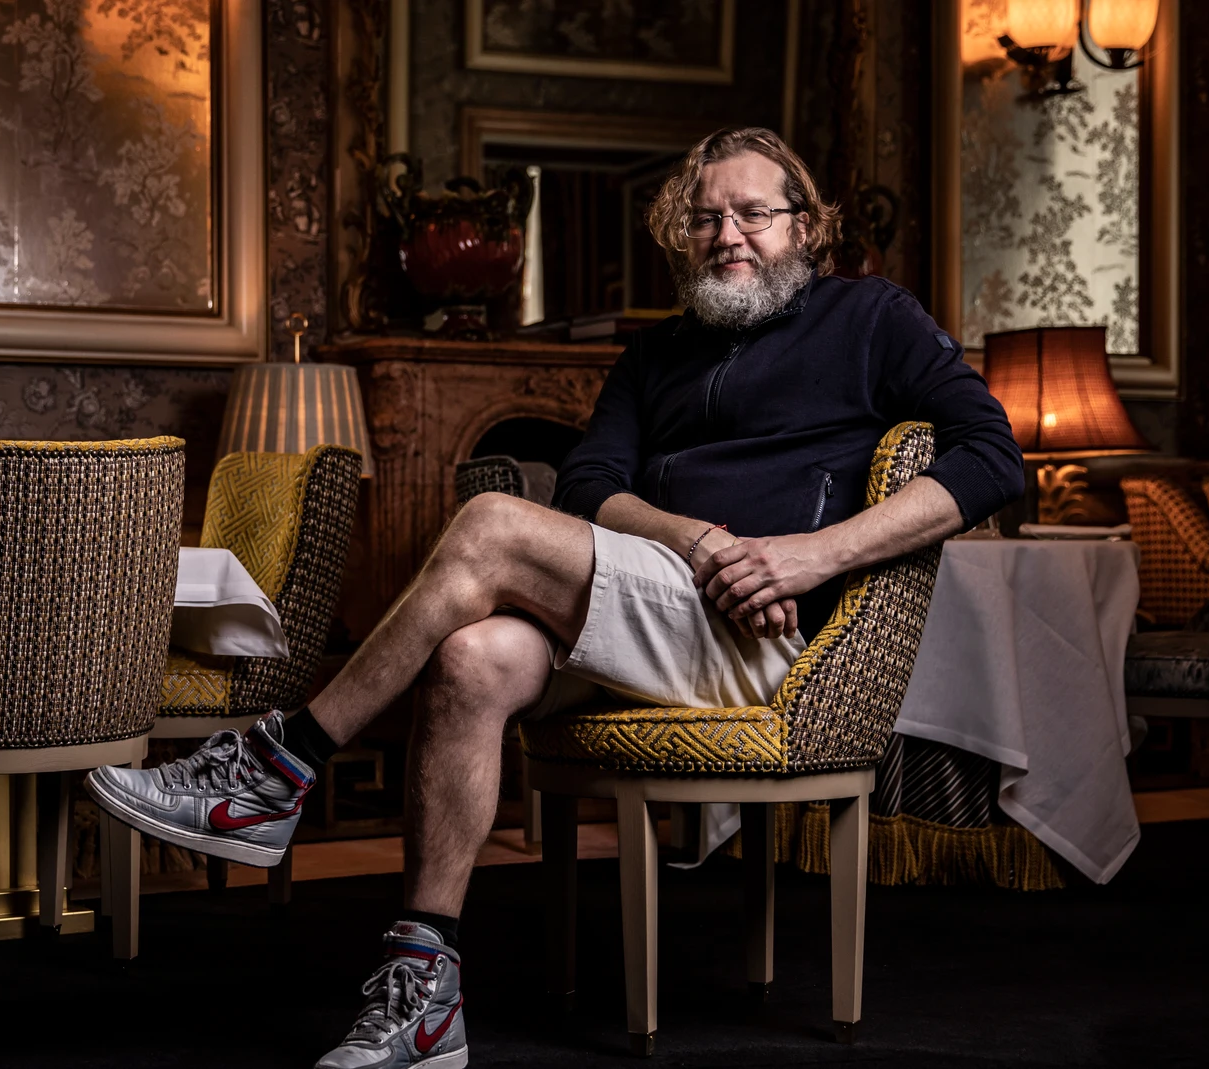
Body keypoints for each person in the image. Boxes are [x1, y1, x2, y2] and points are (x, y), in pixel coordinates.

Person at [87, 126, 1024, 1069]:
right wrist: (694, 537)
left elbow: (993, 456)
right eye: (705, 218)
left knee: (493, 521)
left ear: (806, 226)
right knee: (471, 659)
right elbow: (589, 487)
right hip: (661, 603)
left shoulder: (871, 319)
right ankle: (424, 993)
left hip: (765, 634)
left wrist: (810, 556)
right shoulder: (656, 355)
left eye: (753, 214)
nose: (728, 235)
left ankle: (276, 764)